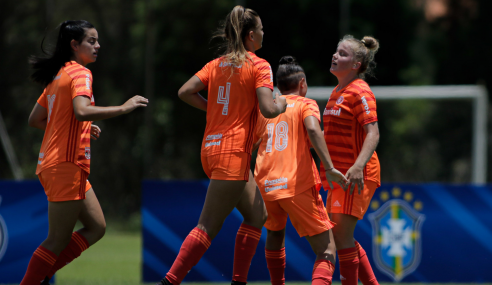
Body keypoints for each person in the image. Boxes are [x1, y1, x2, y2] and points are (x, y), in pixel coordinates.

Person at [155, 5, 287, 285]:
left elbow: (184, 91)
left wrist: (213, 109)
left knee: (257, 214)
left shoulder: (216, 64)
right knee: (207, 226)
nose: (264, 34)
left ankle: (238, 281)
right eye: (261, 30)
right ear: (251, 35)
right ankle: (169, 281)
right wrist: (281, 103)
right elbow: (268, 109)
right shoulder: (259, 65)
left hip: (211, 149)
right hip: (233, 153)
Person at [22, 20, 148, 285]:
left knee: (97, 227)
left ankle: (41, 277)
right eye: (92, 41)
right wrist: (123, 108)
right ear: (74, 45)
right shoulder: (80, 73)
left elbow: (36, 119)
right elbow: (81, 110)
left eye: (97, 40)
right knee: (57, 239)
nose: (97, 45)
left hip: (56, 164)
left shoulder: (59, 75)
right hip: (65, 164)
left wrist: (79, 128)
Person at [253, 56, 348, 285]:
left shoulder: (267, 108)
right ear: (302, 84)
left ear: (278, 87)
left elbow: (253, 140)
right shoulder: (306, 104)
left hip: (264, 184)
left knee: (275, 235)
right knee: (326, 250)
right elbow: (314, 131)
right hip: (295, 184)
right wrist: (330, 167)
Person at [321, 35, 381, 285]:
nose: (335, 56)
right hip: (340, 176)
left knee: (340, 237)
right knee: (340, 235)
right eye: (336, 51)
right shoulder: (337, 91)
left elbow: (373, 133)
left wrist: (358, 166)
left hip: (357, 174)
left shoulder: (360, 90)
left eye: (343, 54)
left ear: (356, 64)